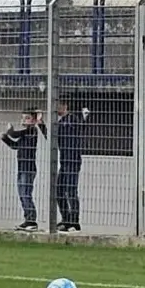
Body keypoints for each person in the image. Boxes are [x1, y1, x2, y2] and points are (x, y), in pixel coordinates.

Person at [1, 110, 47, 231]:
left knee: (26, 194)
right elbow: (15, 145)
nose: (23, 120)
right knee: (22, 194)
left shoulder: (31, 131)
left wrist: (10, 131)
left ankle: (31, 220)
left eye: (27, 118)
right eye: (23, 118)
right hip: (21, 167)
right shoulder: (24, 135)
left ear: (33, 120)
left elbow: (15, 134)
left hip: (28, 168)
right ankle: (27, 219)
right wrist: (5, 138)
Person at [53, 99, 87, 231]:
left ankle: (74, 221)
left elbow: (81, 128)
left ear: (64, 106)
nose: (56, 109)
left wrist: (85, 117)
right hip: (64, 160)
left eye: (57, 106)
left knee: (71, 190)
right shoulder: (60, 123)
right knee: (59, 191)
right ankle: (66, 219)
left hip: (73, 160)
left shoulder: (72, 119)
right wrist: (41, 125)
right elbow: (52, 138)